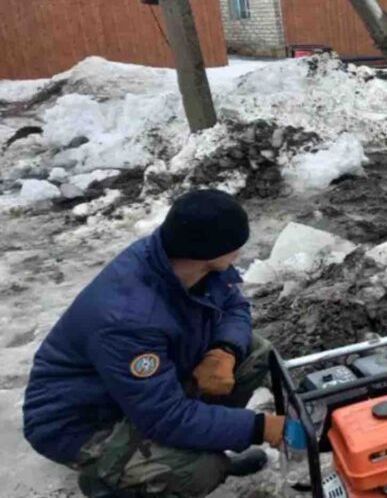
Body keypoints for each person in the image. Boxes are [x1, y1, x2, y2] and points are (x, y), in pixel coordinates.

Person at [23, 190, 289, 498]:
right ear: (208, 252)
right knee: (200, 472)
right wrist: (258, 427)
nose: (240, 252)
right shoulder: (128, 318)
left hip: (136, 393)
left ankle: (194, 448)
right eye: (235, 245)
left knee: (253, 353)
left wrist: (224, 351)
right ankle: (110, 481)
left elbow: (235, 307)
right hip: (80, 421)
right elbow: (164, 417)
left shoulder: (182, 261)